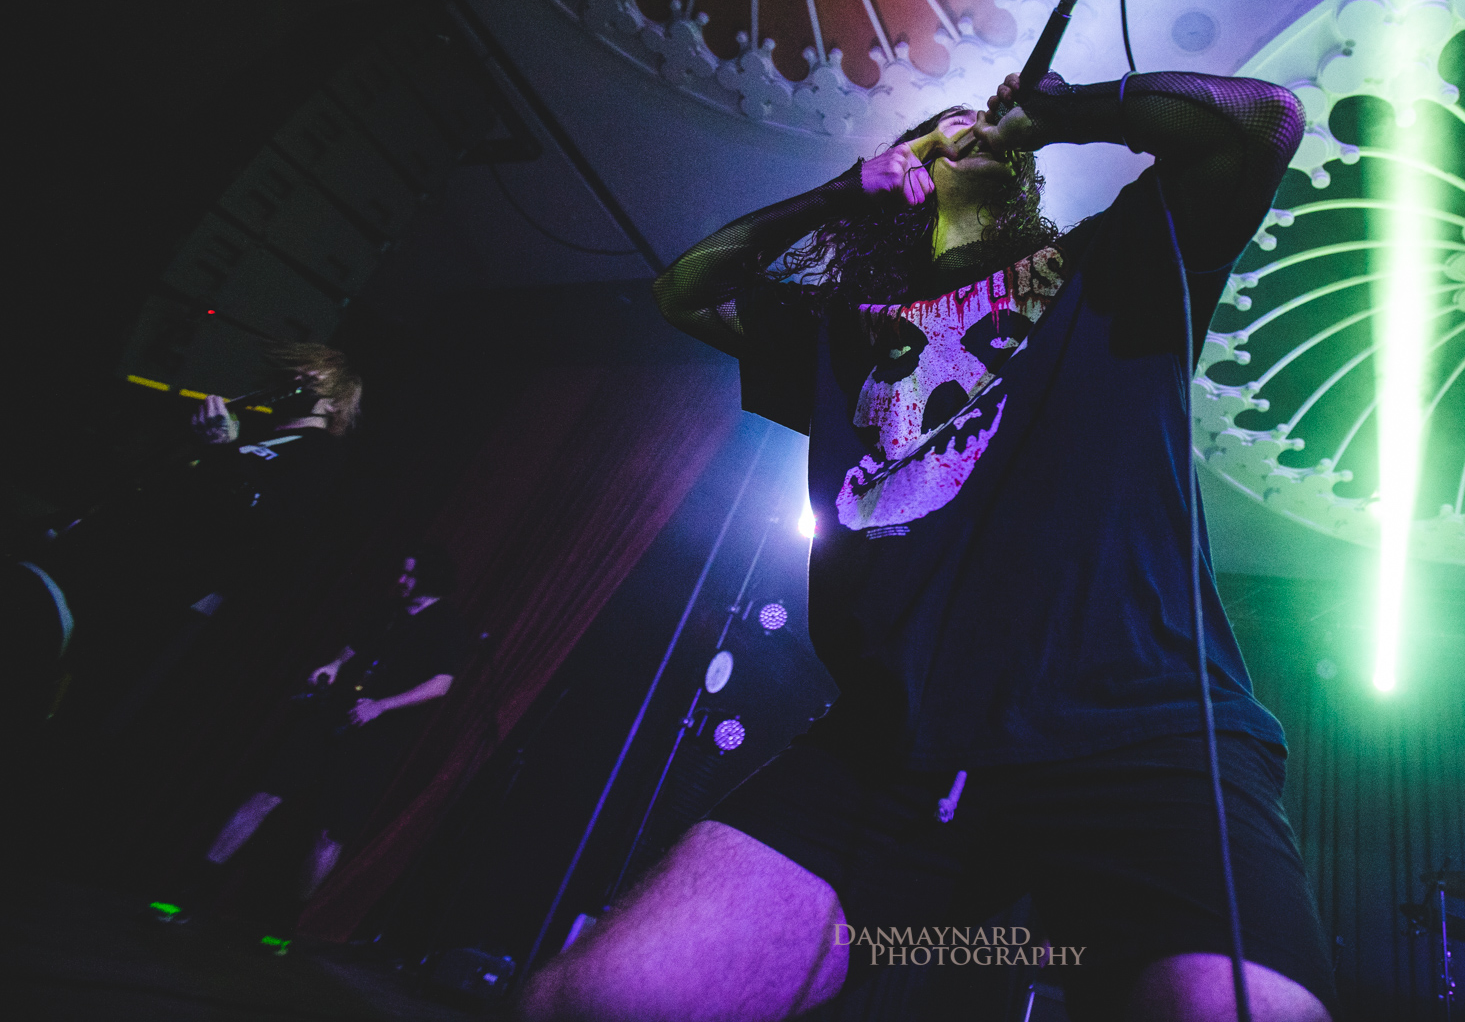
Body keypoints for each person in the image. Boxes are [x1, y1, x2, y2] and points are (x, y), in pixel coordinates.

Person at [522, 68, 1334, 1022]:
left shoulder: (1112, 263)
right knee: (596, 1000)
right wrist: (843, 191)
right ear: (910, 162)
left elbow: (1260, 121)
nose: (974, 126)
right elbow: (683, 291)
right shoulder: (846, 336)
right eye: (948, 123)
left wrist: (1065, 111)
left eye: (989, 122)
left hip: (1139, 724)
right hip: (894, 745)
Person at [5, 342, 360, 735]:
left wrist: (222, 451)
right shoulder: (257, 434)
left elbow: (259, 521)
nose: (294, 381)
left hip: (124, 586)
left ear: (334, 403)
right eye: (291, 373)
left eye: (309, 380)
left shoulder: (319, 455)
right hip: (87, 560)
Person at [156, 547, 466, 919]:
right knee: (264, 795)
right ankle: (193, 888)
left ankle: (286, 920)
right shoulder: (386, 611)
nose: (401, 580)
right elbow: (352, 649)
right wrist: (333, 666)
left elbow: (440, 684)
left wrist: (382, 706)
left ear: (431, 578)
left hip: (373, 737)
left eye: (410, 575)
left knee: (330, 832)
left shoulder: (448, 624)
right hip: (329, 715)